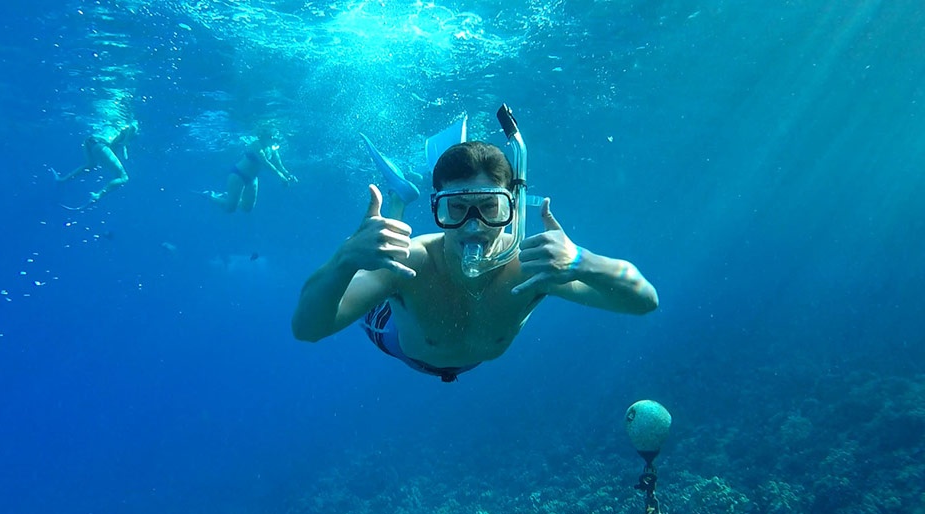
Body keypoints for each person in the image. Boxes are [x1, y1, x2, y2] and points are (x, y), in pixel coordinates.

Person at [292, 140, 659, 382]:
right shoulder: (409, 264)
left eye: (489, 207)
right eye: (456, 208)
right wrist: (344, 260)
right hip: (395, 337)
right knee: (379, 256)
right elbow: (307, 329)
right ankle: (395, 205)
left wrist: (582, 260)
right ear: (438, 210)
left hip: (461, 354)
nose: (473, 226)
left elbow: (645, 300)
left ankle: (401, 198)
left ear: (513, 208)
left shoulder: (535, 269)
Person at [202, 128, 297, 213]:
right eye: (272, 137)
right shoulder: (256, 145)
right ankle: (211, 196)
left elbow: (279, 165)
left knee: (247, 208)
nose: (275, 139)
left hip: (252, 179)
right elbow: (264, 162)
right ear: (264, 136)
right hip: (238, 175)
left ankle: (230, 197)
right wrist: (281, 176)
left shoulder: (272, 148)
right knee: (230, 208)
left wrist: (288, 175)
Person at [52, 120, 139, 206]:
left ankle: (62, 180)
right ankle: (98, 195)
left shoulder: (120, 129)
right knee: (123, 177)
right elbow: (133, 126)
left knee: (91, 165)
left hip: (90, 141)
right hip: (100, 144)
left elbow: (112, 147)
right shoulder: (132, 127)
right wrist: (125, 144)